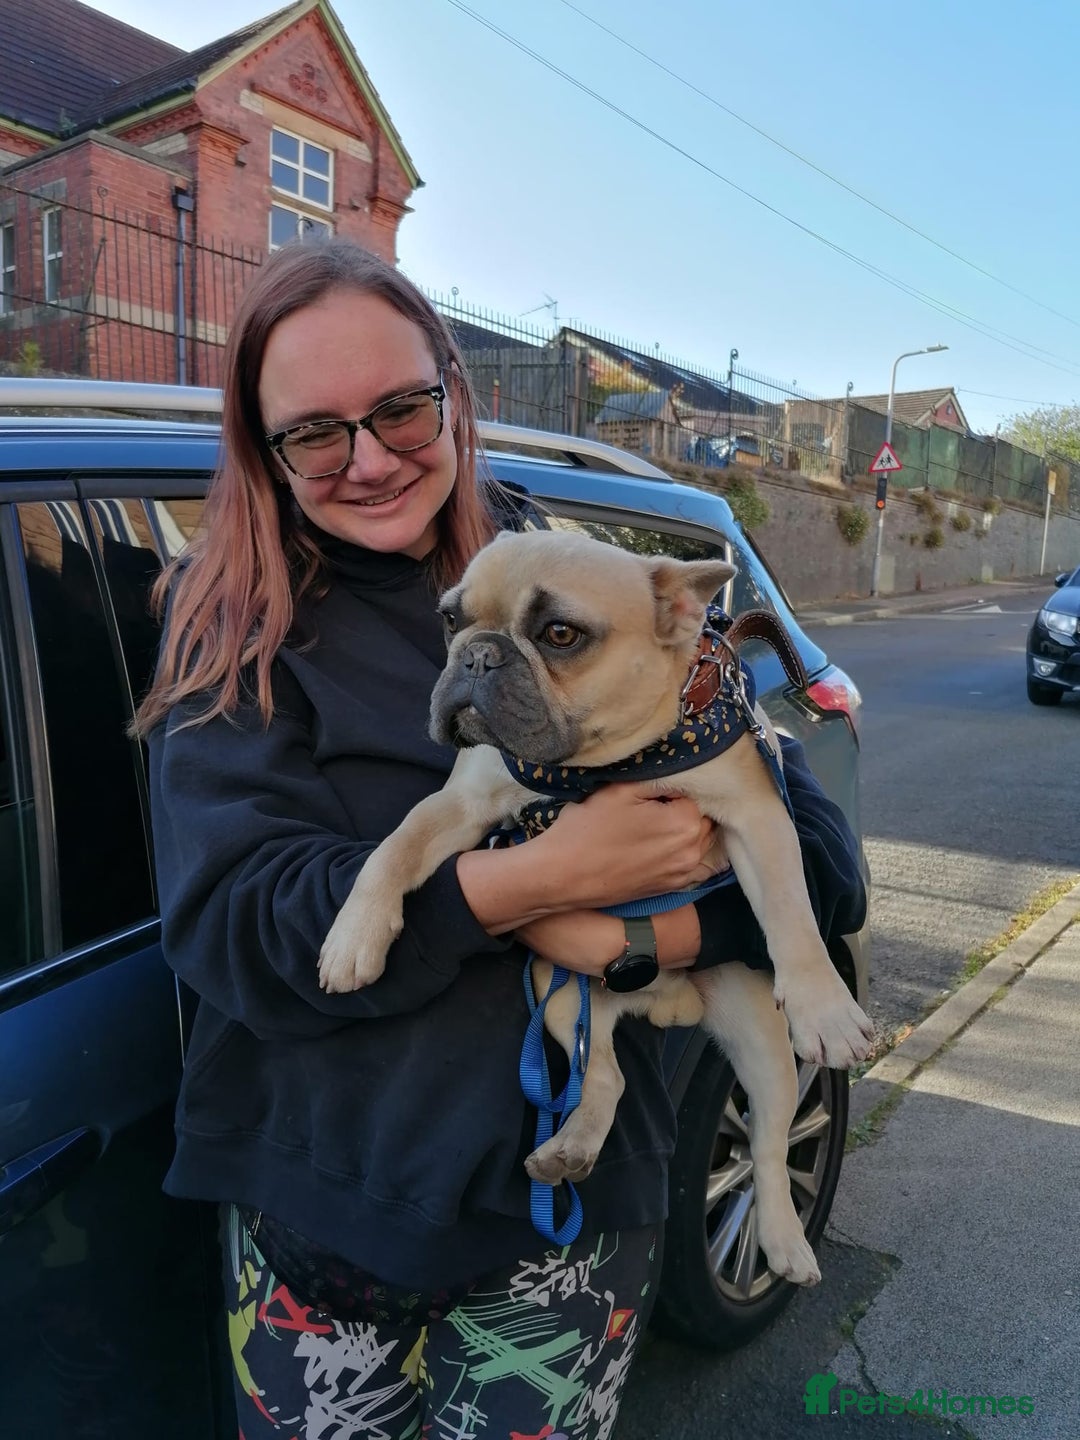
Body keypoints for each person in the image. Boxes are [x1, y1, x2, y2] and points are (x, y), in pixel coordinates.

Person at [136, 238, 866, 1440]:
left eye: (402, 411)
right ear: (263, 449)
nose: (369, 460)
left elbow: (810, 843)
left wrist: (661, 925)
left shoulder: (577, 567)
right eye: (316, 433)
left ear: (455, 396)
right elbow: (235, 927)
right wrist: (528, 887)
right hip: (326, 1204)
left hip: (567, 1215)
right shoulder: (230, 627)